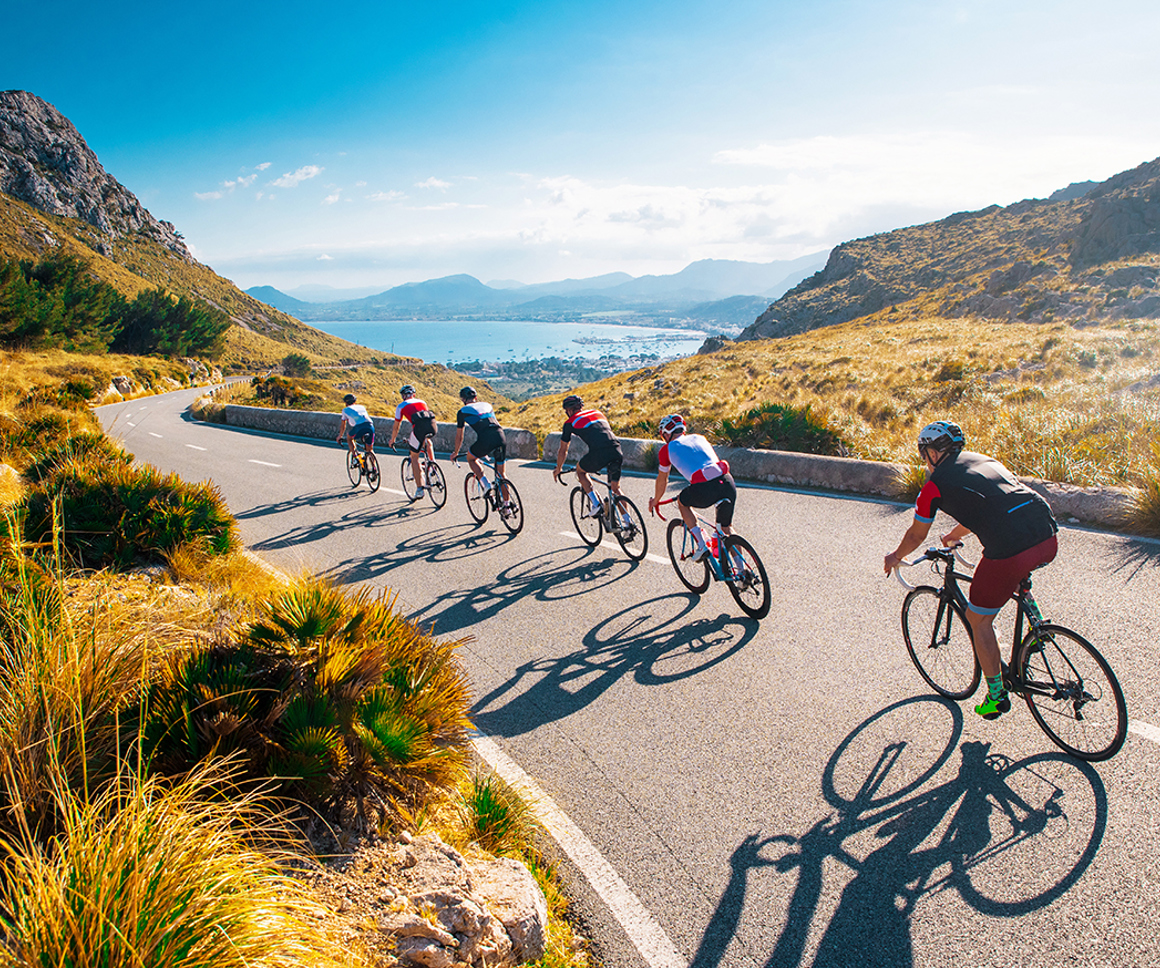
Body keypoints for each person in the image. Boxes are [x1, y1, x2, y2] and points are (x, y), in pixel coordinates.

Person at [883, 420, 1058, 720]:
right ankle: (1038, 625)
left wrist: (896, 556)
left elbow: (916, 535)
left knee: (978, 618)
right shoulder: (984, 460)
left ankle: (996, 695)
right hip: (1046, 533)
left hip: (1011, 549)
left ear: (933, 453)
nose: (925, 460)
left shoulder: (933, 487)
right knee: (1006, 575)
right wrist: (954, 536)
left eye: (924, 453)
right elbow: (990, 506)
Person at [647, 413, 737, 560]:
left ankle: (702, 545)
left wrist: (656, 500)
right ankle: (742, 571)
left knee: (682, 502)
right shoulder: (699, 437)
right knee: (726, 528)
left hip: (704, 487)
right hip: (726, 480)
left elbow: (662, 479)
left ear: (666, 434)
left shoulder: (666, 450)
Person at [552, 395, 628, 522]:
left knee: (580, 471)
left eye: (566, 411)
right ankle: (628, 523)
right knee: (615, 489)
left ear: (569, 410)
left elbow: (563, 450)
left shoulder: (569, 423)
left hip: (599, 453)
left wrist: (558, 468)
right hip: (616, 449)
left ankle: (596, 504)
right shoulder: (597, 412)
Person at [450, 386, 512, 509]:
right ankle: (507, 506)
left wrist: (455, 452)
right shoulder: (487, 405)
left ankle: (486, 484)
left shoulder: (462, 412)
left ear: (463, 400)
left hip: (485, 439)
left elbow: (459, 436)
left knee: (471, 458)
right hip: (500, 436)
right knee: (502, 474)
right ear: (476, 397)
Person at [388, 384, 437, 501]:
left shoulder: (401, 406)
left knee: (414, 457)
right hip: (433, 426)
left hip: (418, 429)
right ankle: (432, 464)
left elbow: (396, 426)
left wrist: (392, 440)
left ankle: (420, 489)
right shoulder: (423, 402)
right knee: (427, 441)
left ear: (403, 396)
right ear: (414, 395)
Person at [336, 393, 375, 457]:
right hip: (370, 425)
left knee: (349, 437)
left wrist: (340, 436)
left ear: (346, 403)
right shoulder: (362, 407)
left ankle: (355, 456)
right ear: (355, 401)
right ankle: (374, 466)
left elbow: (343, 425)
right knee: (370, 450)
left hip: (358, 427)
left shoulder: (345, 410)